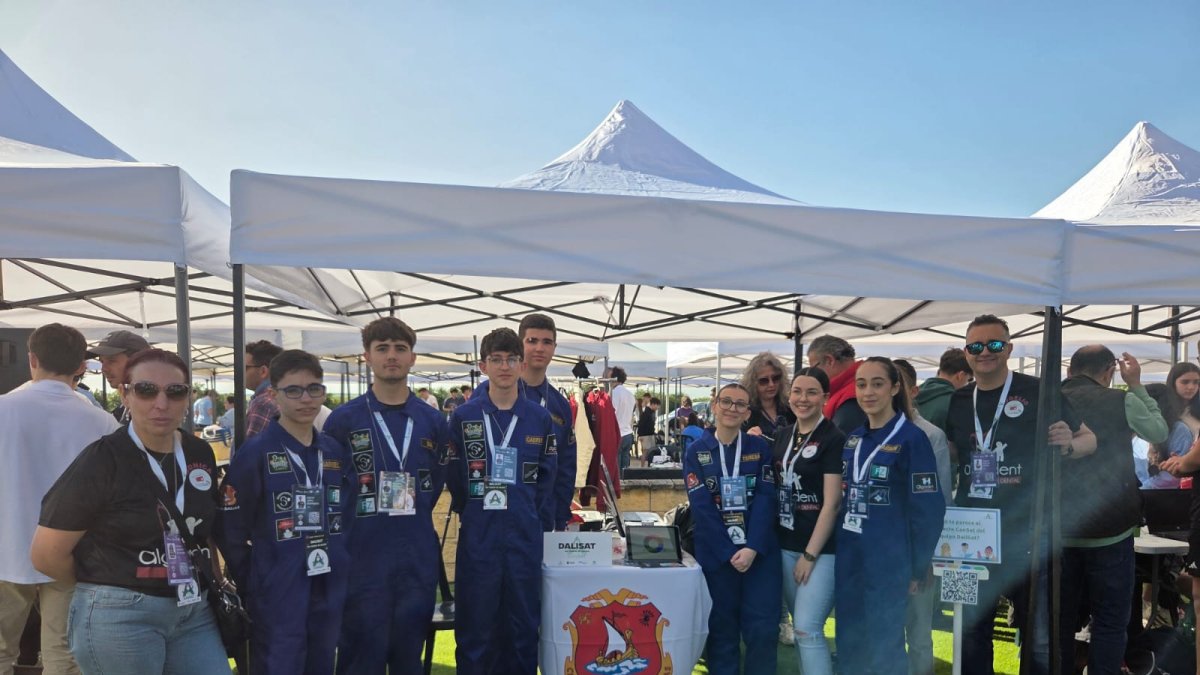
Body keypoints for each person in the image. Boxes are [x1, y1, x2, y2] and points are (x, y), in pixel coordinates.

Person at [31, 348, 230, 674]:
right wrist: (105, 584)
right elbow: (46, 555)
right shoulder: (102, 459)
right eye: (146, 390)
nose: (161, 403)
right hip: (121, 615)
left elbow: (203, 530)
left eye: (175, 391)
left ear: (188, 397)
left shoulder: (199, 452)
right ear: (125, 394)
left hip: (193, 608)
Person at [944, 314, 1096, 674]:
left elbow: (1089, 439)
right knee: (969, 628)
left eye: (994, 344)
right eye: (976, 346)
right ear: (966, 354)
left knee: (1038, 632)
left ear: (1009, 348)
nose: (985, 352)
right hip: (971, 533)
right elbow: (952, 452)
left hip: (1029, 528)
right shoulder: (959, 400)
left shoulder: (1039, 390)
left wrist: (1068, 445)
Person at [215, 350, 356, 675]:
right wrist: (257, 578)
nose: (306, 399)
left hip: (328, 581)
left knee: (322, 665)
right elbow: (230, 527)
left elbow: (347, 513)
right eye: (293, 390)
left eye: (314, 389)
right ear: (275, 394)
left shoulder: (333, 451)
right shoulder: (255, 453)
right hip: (277, 590)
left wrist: (342, 558)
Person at [322, 318, 450, 674]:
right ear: (367, 357)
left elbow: (434, 483)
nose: (391, 356)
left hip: (415, 557)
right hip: (362, 558)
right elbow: (331, 489)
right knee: (360, 660)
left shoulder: (432, 421)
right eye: (382, 348)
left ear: (412, 358)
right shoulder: (343, 420)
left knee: (409, 659)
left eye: (400, 348)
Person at [0, 324, 119, 675]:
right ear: (81, 366)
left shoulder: (3, 410)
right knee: (64, 657)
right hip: (71, 554)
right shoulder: (104, 423)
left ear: (32, 359)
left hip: (5, 548)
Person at [447, 328, 555, 674]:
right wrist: (475, 511)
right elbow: (455, 478)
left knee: (523, 629)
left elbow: (547, 479)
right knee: (475, 630)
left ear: (522, 365)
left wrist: (525, 512)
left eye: (511, 359)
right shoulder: (464, 417)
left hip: (524, 537)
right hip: (479, 537)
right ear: (483, 366)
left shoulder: (539, 418)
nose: (504, 367)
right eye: (496, 360)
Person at [1059, 346, 1167, 675]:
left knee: (1059, 620)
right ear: (1109, 372)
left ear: (1069, 371)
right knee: (1110, 621)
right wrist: (1135, 386)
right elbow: (1158, 432)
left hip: (1058, 526)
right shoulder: (1122, 400)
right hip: (1111, 527)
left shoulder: (1048, 400)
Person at [835, 357, 946, 675]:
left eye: (877, 384)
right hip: (850, 558)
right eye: (861, 384)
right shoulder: (854, 439)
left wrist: (917, 567)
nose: (868, 392)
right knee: (849, 642)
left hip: (889, 563)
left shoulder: (912, 438)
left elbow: (928, 511)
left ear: (895, 388)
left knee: (885, 646)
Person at [684, 383, 780, 675]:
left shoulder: (759, 448)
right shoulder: (696, 451)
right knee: (722, 631)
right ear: (714, 406)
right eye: (726, 401)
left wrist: (752, 547)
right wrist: (728, 552)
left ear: (748, 413)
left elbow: (766, 498)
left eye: (740, 404)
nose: (732, 408)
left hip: (758, 554)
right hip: (717, 556)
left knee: (762, 630)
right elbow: (701, 507)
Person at [773, 367, 844, 675]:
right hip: (785, 544)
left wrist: (810, 554)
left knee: (806, 627)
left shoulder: (834, 438)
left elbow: (833, 503)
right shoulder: (783, 435)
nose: (803, 399)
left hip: (821, 550)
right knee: (803, 632)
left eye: (812, 392)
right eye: (797, 391)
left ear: (825, 397)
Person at [893, 358, 953, 675]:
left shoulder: (930, 435)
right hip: (882, 554)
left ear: (913, 390)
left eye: (896, 386)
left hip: (918, 552)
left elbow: (940, 501)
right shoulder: (869, 434)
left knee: (918, 633)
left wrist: (928, 558)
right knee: (885, 633)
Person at [517, 314, 575, 530]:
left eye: (547, 342)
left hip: (543, 518)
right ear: (519, 344)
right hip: (499, 517)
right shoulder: (495, 395)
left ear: (554, 347)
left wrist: (560, 518)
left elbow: (566, 466)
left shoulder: (560, 405)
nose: (539, 348)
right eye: (532, 341)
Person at [1144, 362, 1200, 488]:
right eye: (1185, 382)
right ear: (1173, 382)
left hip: (1189, 474)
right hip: (1166, 472)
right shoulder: (1165, 412)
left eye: (1196, 382)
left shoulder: (1196, 413)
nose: (1191, 387)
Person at [87, 329, 151, 422]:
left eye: (111, 361)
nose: (104, 369)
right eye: (102, 362)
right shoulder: (120, 412)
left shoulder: (157, 411)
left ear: (138, 361)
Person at [807, 335, 867, 434]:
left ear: (829, 361)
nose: (814, 374)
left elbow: (842, 438)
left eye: (814, 368)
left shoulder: (851, 396)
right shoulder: (856, 385)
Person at [741, 351, 796, 445]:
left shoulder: (790, 409)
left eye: (775, 378)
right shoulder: (744, 412)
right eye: (764, 380)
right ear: (753, 383)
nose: (771, 384)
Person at [915, 347, 972, 432]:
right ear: (960, 375)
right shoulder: (955, 402)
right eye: (969, 379)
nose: (967, 383)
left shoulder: (913, 395)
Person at [245, 340, 283, 439]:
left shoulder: (263, 403)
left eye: (245, 368)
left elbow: (251, 447)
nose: (239, 372)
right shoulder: (285, 396)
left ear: (263, 371)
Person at [609, 366, 636, 472]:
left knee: (616, 470)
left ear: (614, 378)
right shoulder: (630, 395)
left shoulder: (614, 393)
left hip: (618, 433)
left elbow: (612, 412)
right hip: (628, 433)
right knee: (625, 469)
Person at [638, 397, 661, 465]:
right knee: (646, 452)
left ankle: (647, 466)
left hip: (649, 434)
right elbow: (641, 424)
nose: (658, 408)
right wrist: (640, 435)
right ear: (653, 404)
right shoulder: (647, 413)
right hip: (646, 435)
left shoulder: (650, 412)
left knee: (649, 451)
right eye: (657, 405)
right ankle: (643, 467)